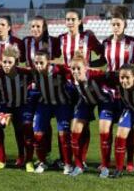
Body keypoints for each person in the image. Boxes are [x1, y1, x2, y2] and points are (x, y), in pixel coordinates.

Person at [58, 9, 104, 169]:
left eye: (73, 19)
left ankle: (81, 158)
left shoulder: (87, 38)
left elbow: (103, 56)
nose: (70, 22)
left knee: (82, 122)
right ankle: (66, 158)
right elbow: (59, 60)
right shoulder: (61, 39)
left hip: (85, 86)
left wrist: (90, 67)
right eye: (67, 19)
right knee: (65, 122)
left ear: (79, 21)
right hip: (67, 86)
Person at [97, 6, 134, 176]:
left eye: (118, 23)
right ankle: (105, 162)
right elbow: (101, 61)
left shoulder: (133, 43)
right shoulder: (106, 42)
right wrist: (85, 65)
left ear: (125, 24)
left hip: (127, 93)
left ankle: (129, 162)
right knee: (104, 129)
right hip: (107, 92)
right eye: (113, 24)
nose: (115, 26)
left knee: (127, 130)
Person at [0, 45, 35, 172]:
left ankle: (27, 160)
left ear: (16, 62)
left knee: (26, 129)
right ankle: (0, 160)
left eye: (9, 62)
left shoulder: (25, 73)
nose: (6, 65)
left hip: (22, 106)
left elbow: (39, 76)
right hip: (5, 106)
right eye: (4, 62)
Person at [0, 15, 26, 167]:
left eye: (2, 24)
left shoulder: (18, 45)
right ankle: (0, 159)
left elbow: (30, 71)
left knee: (20, 127)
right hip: (1, 96)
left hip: (19, 99)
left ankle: (22, 156)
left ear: (9, 27)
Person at [67, 52, 115, 177]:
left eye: (79, 68)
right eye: (73, 68)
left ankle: (105, 166)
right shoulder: (70, 76)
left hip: (105, 101)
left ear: (86, 68)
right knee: (75, 130)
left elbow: (114, 77)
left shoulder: (96, 75)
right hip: (86, 101)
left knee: (104, 130)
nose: (76, 71)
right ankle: (78, 165)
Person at [23, 16, 62, 166]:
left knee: (50, 124)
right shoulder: (26, 42)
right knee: (29, 123)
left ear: (44, 28)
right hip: (32, 88)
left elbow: (61, 61)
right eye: (33, 26)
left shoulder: (53, 41)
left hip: (52, 87)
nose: (35, 29)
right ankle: (29, 156)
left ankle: (49, 154)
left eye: (38, 26)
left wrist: (47, 63)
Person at [32, 50, 74, 175]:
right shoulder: (34, 72)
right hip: (44, 104)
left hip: (62, 104)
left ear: (48, 62)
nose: (39, 66)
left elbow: (72, 68)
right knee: (38, 134)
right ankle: (42, 161)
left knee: (64, 134)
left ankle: (67, 164)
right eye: (36, 63)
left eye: (41, 63)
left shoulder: (59, 70)